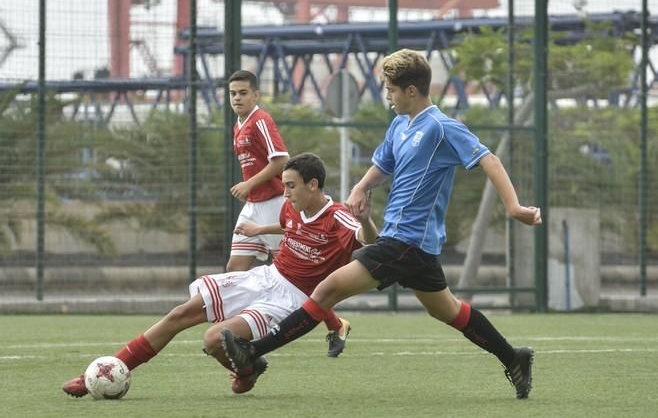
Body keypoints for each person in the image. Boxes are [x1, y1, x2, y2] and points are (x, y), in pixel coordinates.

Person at [221, 49, 543, 400]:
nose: (387, 96)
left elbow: (489, 159)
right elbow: (382, 165)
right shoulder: (399, 125)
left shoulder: (440, 127)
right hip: (406, 241)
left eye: (390, 89)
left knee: (326, 290)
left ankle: (252, 351)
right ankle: (514, 357)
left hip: (407, 241)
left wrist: (514, 207)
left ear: (411, 90)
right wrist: (360, 187)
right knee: (446, 309)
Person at [62, 153, 377, 397]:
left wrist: (366, 220)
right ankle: (109, 370)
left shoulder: (338, 217)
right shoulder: (290, 207)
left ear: (314, 185)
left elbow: (369, 241)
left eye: (291, 185)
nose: (285, 191)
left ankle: (247, 369)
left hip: (292, 300)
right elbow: (292, 228)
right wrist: (260, 230)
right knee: (180, 312)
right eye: (284, 185)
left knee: (214, 340)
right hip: (266, 277)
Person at [226, 70, 352, 356]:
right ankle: (240, 327)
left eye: (243, 92)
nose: (237, 98)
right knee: (235, 267)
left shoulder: (260, 121)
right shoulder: (239, 124)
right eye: (233, 93)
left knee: (294, 277)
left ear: (256, 95)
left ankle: (336, 324)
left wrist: (249, 183)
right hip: (254, 206)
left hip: (274, 202)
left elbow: (282, 160)